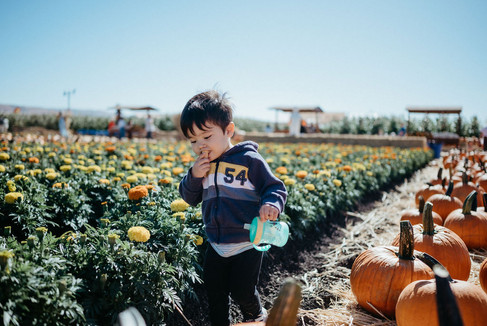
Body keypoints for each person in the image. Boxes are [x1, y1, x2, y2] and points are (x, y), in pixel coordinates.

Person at [178, 90, 287, 326]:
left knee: (242, 290)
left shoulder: (249, 159)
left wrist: (271, 203)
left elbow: (275, 187)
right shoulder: (202, 167)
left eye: (206, 137)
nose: (200, 146)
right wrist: (194, 176)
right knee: (215, 292)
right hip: (216, 243)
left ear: (228, 131)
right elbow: (189, 197)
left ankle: (256, 316)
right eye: (193, 141)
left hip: (247, 241)